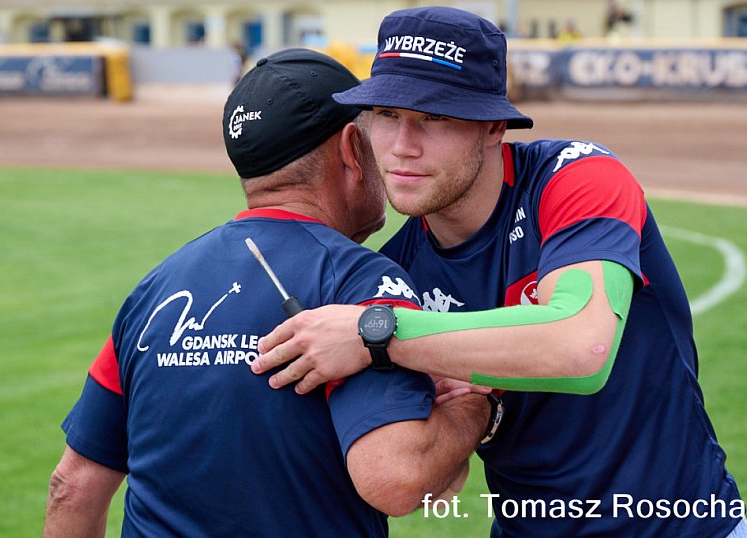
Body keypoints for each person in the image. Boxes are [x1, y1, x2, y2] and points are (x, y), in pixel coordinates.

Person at [250, 8, 747, 538]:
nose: (401, 146)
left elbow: (582, 351)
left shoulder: (575, 178)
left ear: (492, 126)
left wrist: (376, 335)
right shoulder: (395, 273)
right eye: (386, 114)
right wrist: (471, 417)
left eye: (434, 117)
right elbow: (436, 482)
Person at [43, 48, 492, 537]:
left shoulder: (153, 290)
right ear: (349, 149)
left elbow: (73, 484)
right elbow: (404, 482)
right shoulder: (366, 286)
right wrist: (477, 404)